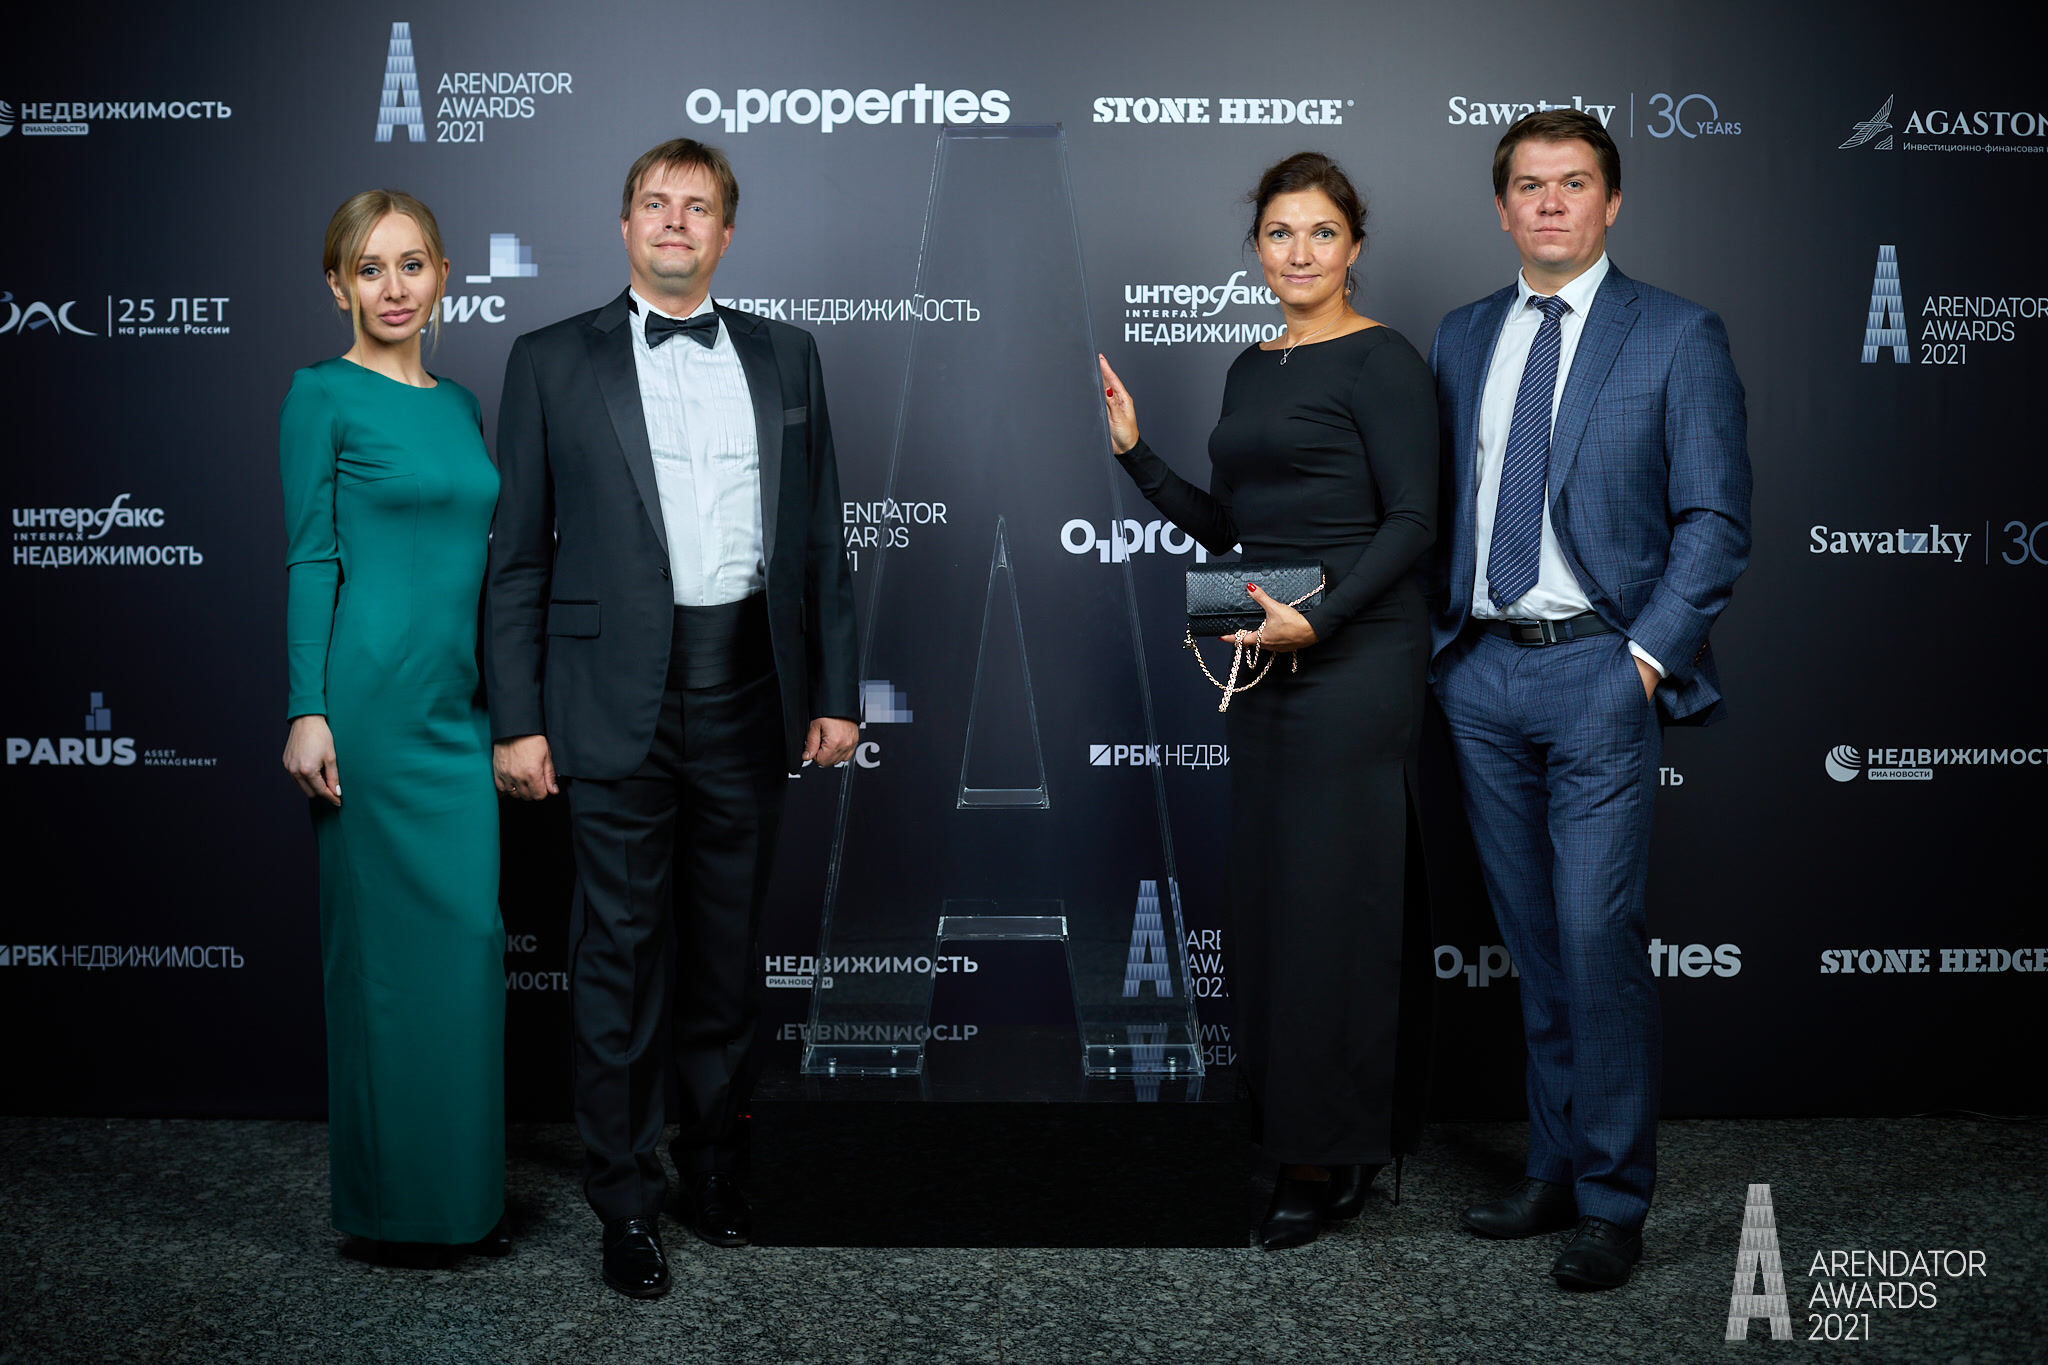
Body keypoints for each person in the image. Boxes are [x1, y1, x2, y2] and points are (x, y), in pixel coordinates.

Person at [485, 138, 859, 1300]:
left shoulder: (788, 355)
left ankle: (711, 1167)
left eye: (697, 207)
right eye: (655, 202)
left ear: (725, 234)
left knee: (724, 957)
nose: (674, 221)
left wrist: (835, 690)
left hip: (748, 683)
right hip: (605, 701)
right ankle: (624, 1199)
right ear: (625, 223)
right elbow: (516, 560)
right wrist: (517, 718)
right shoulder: (549, 359)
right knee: (617, 954)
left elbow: (820, 540)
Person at [1426, 109, 1751, 1290]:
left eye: (1573, 183)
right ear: (1501, 207)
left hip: (1598, 669)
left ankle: (1612, 1200)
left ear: (1609, 203)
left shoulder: (1673, 333)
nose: (1550, 201)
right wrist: (1443, 655)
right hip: (1479, 672)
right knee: (1531, 944)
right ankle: (1553, 1168)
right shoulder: (1462, 333)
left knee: (1592, 937)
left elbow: (1713, 518)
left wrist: (1644, 661)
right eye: (1528, 184)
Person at [1099, 152, 1437, 1251]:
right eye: (1280, 233)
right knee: (1277, 908)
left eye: (1321, 233)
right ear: (1256, 248)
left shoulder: (1383, 359)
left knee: (1334, 913)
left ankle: (1328, 1152)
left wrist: (1320, 622)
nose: (1299, 252)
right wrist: (1138, 457)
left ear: (1354, 246)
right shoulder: (1250, 367)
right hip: (1266, 661)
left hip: (1353, 661)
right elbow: (1233, 531)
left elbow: (1413, 521)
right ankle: (1296, 1131)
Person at [278, 190, 508, 1261]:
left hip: (457, 718)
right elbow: (310, 556)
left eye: (411, 264)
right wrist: (307, 707)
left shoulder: (462, 405)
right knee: (376, 968)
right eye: (369, 269)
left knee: (463, 956)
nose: (393, 287)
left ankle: (463, 1205)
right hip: (365, 714)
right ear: (338, 286)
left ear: (444, 275)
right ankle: (388, 1211)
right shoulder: (319, 394)